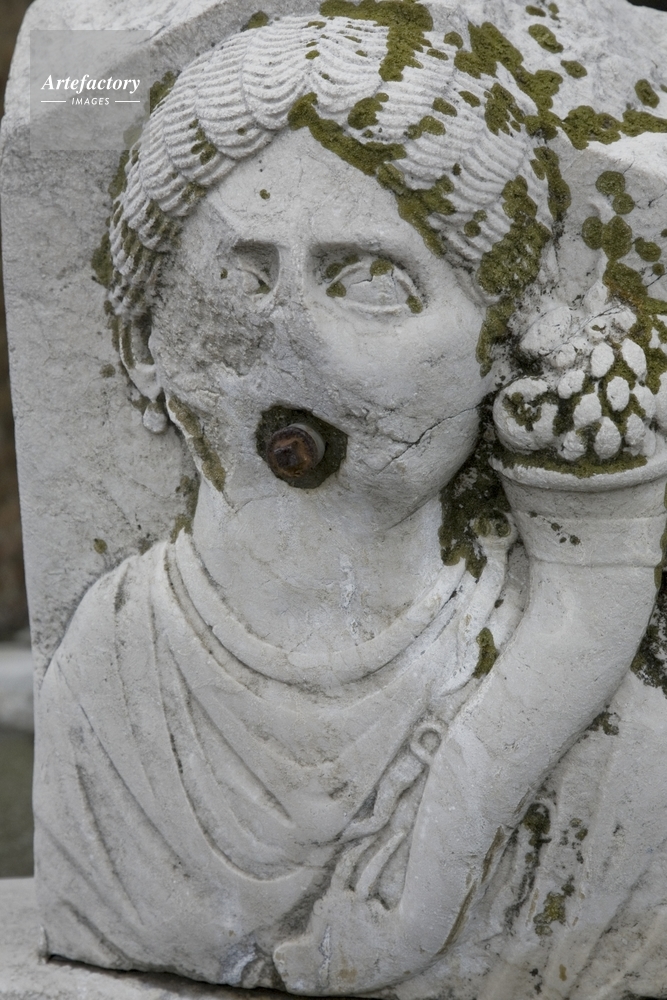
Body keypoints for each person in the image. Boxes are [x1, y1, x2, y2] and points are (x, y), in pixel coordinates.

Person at [35, 3, 667, 997]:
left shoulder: (617, 752)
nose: (292, 337)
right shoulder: (105, 678)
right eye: (237, 278)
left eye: (370, 281)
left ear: (496, 351)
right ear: (142, 347)